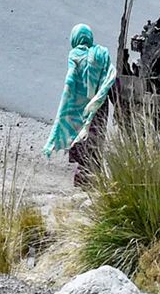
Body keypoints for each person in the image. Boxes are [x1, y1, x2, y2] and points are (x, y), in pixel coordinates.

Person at [43, 24, 116, 186]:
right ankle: (93, 177)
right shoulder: (102, 54)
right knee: (96, 140)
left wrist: (67, 104)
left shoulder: (75, 55)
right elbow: (109, 79)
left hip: (80, 108)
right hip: (99, 107)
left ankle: (83, 178)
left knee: (81, 138)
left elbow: (70, 82)